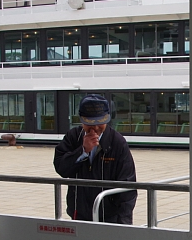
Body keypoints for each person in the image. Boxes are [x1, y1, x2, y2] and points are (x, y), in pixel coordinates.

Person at [54, 94, 137, 224]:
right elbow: (61, 168)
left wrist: (124, 224)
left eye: (100, 122)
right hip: (79, 213)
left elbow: (128, 186)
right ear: (82, 120)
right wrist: (82, 151)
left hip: (109, 216)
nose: (96, 128)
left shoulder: (117, 142)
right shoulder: (73, 137)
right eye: (90, 123)